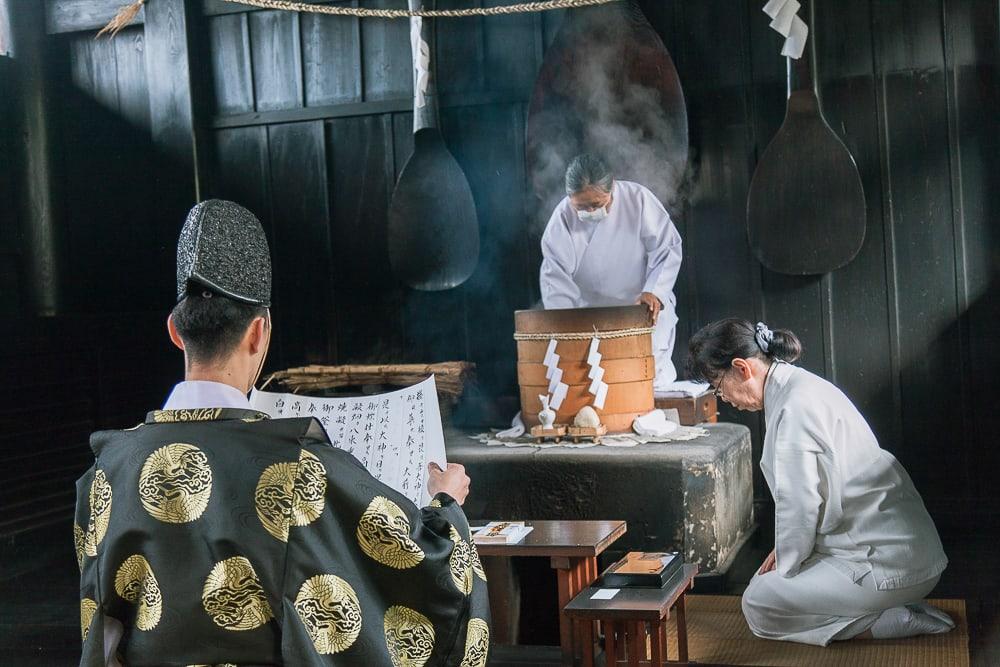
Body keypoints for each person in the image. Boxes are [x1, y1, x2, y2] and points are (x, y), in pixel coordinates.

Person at [74, 200, 490, 666]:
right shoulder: (297, 468)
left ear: (175, 331)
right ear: (259, 333)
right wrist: (445, 504)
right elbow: (425, 571)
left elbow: (102, 641)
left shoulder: (105, 473)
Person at [686, 318, 953, 647]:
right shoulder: (798, 387)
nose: (724, 398)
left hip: (887, 563)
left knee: (758, 600)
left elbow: (801, 506)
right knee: (776, 574)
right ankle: (890, 605)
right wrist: (785, 553)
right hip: (904, 554)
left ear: (741, 368)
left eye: (718, 387)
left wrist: (786, 562)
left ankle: (885, 621)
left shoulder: (793, 407)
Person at [539, 153, 683, 389]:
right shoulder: (562, 217)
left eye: (596, 204)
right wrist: (566, 327)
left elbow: (667, 248)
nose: (589, 211)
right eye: (581, 207)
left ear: (612, 187)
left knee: (648, 381)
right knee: (593, 385)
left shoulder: (638, 200)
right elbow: (556, 279)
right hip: (590, 316)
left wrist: (654, 290)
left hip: (643, 307)